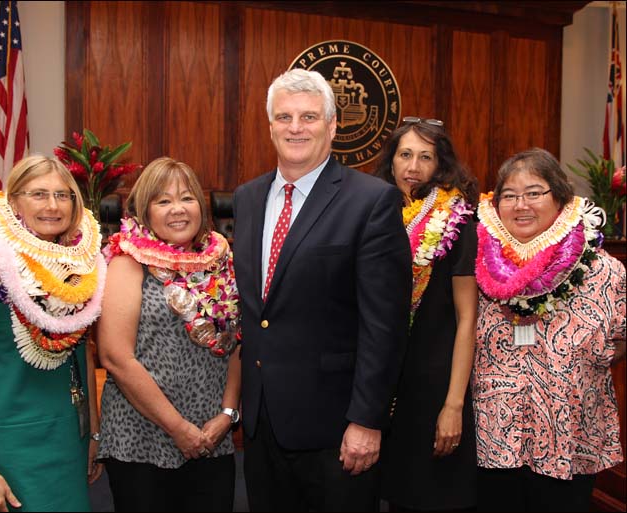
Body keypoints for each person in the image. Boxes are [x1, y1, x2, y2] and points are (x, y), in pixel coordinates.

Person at [232, 68, 411, 512]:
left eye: (309, 117)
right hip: (262, 423)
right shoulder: (248, 197)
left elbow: (384, 326)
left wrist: (367, 421)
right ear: (269, 125)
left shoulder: (371, 200)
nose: (296, 128)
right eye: (285, 117)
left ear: (332, 126)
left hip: (337, 430)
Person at [473, 147, 626, 512]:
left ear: (560, 198)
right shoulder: (478, 266)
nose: (520, 205)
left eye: (534, 192)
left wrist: (595, 358)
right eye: (509, 195)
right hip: (496, 433)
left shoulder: (603, 270)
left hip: (569, 434)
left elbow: (622, 335)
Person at [96, 156, 241, 512]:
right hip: (141, 437)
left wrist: (227, 413)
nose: (178, 209)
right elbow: (116, 357)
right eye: (163, 201)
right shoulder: (128, 261)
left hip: (212, 436)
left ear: (201, 207)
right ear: (145, 211)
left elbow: (239, 340)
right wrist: (177, 428)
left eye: (187, 197)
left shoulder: (222, 259)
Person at [0, 155, 105, 511]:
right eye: (39, 194)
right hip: (8, 440)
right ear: (13, 201)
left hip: (67, 436)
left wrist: (93, 434)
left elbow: (84, 354)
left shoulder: (79, 264)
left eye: (63, 195)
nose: (53, 206)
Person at [374, 117, 479, 511]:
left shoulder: (458, 221)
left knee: (433, 496)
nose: (413, 167)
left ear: (441, 165)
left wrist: (453, 404)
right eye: (405, 155)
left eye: (425, 157)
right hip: (384, 383)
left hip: (435, 384)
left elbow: (467, 319)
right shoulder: (373, 216)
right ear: (391, 161)